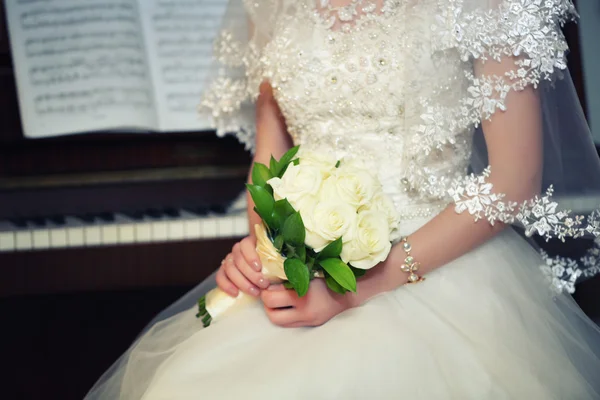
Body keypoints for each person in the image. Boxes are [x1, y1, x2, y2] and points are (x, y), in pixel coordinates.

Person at [86, 0, 600, 398]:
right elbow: (269, 168)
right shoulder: (271, 5)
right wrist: (265, 252)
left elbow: (514, 179)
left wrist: (359, 288)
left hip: (440, 269)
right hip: (306, 277)